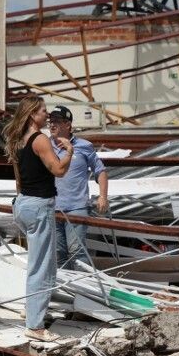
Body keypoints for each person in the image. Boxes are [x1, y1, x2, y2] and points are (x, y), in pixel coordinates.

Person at [3, 95, 73, 342]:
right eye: (43, 111)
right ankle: (35, 325)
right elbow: (59, 170)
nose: (47, 115)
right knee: (41, 268)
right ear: (33, 114)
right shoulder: (40, 139)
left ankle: (33, 311)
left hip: (23, 203)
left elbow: (19, 180)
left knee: (41, 265)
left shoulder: (18, 140)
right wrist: (69, 152)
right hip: (40, 204)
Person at [48, 106, 109, 271]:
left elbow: (101, 171)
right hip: (52, 207)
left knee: (77, 253)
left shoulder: (84, 146)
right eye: (51, 121)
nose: (52, 125)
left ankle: (84, 290)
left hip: (77, 207)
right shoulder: (45, 146)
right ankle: (65, 291)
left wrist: (103, 196)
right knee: (57, 253)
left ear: (68, 125)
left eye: (57, 122)